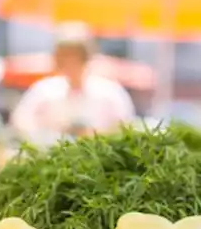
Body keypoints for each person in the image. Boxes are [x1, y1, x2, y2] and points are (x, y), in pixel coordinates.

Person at [9, 23, 137, 144]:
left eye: (74, 57)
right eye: (64, 57)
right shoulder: (43, 91)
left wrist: (97, 134)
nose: (70, 63)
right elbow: (21, 121)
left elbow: (126, 127)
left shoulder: (110, 93)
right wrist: (47, 133)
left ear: (86, 58)